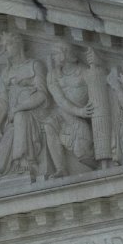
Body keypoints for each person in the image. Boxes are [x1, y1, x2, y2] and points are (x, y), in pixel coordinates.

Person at [0, 34, 50, 180]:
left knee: (20, 117)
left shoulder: (34, 65)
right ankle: (9, 167)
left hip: (35, 113)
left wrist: (18, 108)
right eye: (4, 46)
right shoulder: (6, 73)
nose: (5, 49)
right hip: (13, 119)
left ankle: (25, 160)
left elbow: (42, 95)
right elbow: (3, 101)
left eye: (8, 44)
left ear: (19, 44)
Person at [44, 42, 94, 176]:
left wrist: (83, 112)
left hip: (82, 118)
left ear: (64, 54)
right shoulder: (52, 76)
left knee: (82, 153)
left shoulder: (84, 71)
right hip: (64, 115)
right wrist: (79, 111)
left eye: (55, 54)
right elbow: (60, 100)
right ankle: (61, 168)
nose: (53, 57)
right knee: (49, 125)